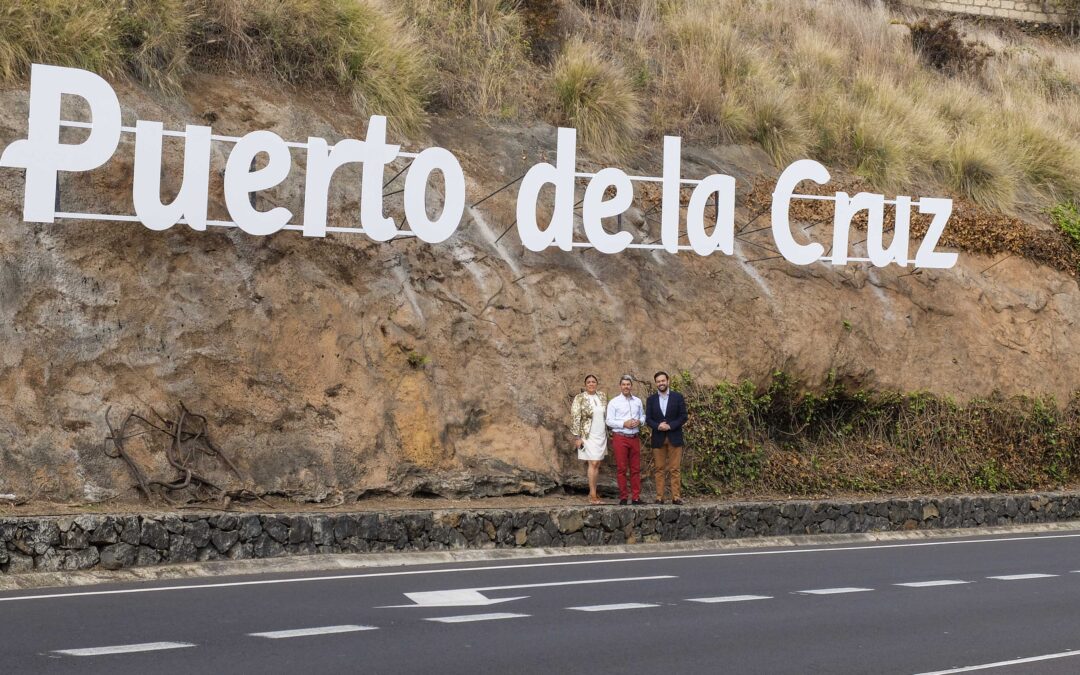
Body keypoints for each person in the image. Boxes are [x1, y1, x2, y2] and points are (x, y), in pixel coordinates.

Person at [645, 371, 689, 505]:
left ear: (668, 381)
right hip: (658, 438)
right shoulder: (651, 399)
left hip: (674, 436)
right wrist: (658, 426)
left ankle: (676, 497)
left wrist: (670, 426)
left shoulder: (677, 397)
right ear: (656, 383)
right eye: (658, 381)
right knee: (659, 469)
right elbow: (648, 419)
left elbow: (683, 416)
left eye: (663, 381)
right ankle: (659, 497)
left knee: (675, 468)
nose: (661, 383)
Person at [605, 374, 645, 505]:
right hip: (620, 438)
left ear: (631, 386)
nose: (626, 386)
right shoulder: (614, 402)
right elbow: (609, 421)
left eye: (628, 384)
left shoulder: (637, 401)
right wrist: (624, 423)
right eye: (624, 384)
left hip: (634, 438)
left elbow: (643, 416)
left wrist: (640, 421)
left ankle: (636, 497)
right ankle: (623, 497)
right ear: (620, 386)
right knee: (622, 468)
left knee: (635, 469)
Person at [570, 375, 608, 505]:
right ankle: (592, 495)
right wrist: (577, 437)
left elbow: (606, 415)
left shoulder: (602, 396)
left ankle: (593, 492)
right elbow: (575, 417)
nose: (591, 384)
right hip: (587, 435)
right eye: (588, 382)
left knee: (597, 464)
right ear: (585, 384)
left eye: (593, 382)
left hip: (601, 434)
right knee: (593, 462)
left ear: (596, 383)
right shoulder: (579, 398)